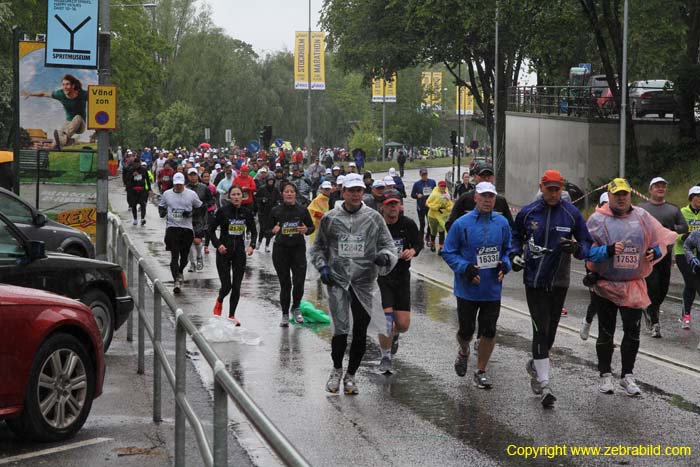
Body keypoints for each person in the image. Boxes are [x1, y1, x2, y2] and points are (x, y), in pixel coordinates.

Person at [585, 178, 676, 396]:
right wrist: (607, 251)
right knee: (606, 332)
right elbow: (586, 250)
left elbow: (659, 239)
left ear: (630, 195)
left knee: (632, 333)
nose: (622, 198)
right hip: (605, 284)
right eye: (617, 194)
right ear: (610, 195)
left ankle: (627, 375)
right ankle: (605, 375)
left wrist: (655, 251)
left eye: (625, 194)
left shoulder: (642, 216)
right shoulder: (597, 219)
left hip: (633, 284)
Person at [510, 169, 593, 407]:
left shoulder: (571, 213)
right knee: (540, 328)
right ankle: (545, 385)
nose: (554, 194)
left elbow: (587, 242)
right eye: (550, 189)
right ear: (542, 187)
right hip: (534, 281)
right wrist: (515, 255)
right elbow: (515, 237)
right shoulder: (528, 213)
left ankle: (537, 363)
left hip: (559, 281)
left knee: (551, 332)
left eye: (558, 189)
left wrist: (577, 249)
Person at [310, 173, 398, 394]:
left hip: (364, 281)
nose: (356, 194)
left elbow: (388, 245)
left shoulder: (374, 218)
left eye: (359, 190)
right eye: (351, 191)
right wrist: (323, 267)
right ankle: (337, 369)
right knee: (341, 330)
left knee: (360, 330)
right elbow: (318, 247)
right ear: (343, 193)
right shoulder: (330, 218)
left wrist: (385, 257)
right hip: (338, 281)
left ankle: (351, 376)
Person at [442, 182, 511, 388]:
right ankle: (463, 351)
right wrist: (465, 268)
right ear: (476, 198)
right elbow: (448, 252)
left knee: (489, 331)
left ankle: (481, 370)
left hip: (491, 289)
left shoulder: (502, 223)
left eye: (491, 196)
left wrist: (505, 264)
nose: (488, 200)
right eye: (484, 196)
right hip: (467, 289)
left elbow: (509, 249)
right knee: (466, 331)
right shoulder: (461, 224)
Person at [376, 189, 423, 374]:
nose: (393, 207)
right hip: (382, 278)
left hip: (402, 277)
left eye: (396, 204)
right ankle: (386, 356)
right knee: (386, 320)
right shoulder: (377, 225)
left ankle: (393, 336)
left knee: (402, 324)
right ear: (382, 207)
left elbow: (418, 243)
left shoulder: (408, 224)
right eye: (389, 204)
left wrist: (413, 251)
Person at [638, 177, 688, 338]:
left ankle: (649, 310)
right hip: (648, 255)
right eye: (657, 186)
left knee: (662, 289)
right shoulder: (641, 209)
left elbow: (684, 227)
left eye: (663, 186)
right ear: (650, 190)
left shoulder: (672, 209)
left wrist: (670, 228)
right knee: (652, 287)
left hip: (665, 255)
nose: (660, 189)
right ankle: (654, 321)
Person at [209, 185, 257, 325]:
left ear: (242, 197)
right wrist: (218, 245)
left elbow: (254, 231)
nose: (236, 197)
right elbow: (210, 231)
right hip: (224, 252)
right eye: (233, 195)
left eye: (238, 194)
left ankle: (231, 315)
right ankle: (219, 300)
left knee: (236, 286)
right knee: (227, 286)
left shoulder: (246, 212)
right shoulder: (223, 212)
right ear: (229, 197)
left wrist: (252, 245)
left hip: (239, 253)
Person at [270, 182, 315, 326]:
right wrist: (272, 230)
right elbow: (265, 229)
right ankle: (284, 313)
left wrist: (306, 230)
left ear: (295, 194)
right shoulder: (276, 210)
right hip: (281, 250)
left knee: (299, 282)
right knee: (285, 284)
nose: (289, 194)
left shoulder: (302, 210)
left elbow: (311, 227)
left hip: (298, 249)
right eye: (286, 191)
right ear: (282, 194)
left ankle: (296, 308)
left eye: (292, 191)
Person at [158, 173, 203, 294]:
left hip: (187, 229)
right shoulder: (167, 194)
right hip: (172, 228)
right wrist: (162, 212)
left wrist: (190, 214)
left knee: (184, 258)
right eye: (176, 185)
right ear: (174, 184)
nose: (178, 187)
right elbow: (161, 206)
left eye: (180, 185)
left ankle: (180, 271)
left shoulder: (191, 194)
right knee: (174, 256)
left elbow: (200, 207)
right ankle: (176, 281)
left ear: (184, 183)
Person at [21, 74, 87, 150]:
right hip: (68, 123)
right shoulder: (60, 94)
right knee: (56, 142)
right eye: (63, 85)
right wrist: (30, 94)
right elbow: (44, 94)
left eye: (67, 84)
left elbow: (96, 99)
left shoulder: (83, 94)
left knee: (77, 117)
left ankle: (65, 140)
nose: (65, 87)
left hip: (81, 124)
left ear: (73, 86)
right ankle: (66, 142)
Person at [447, 163, 514, 231]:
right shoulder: (465, 199)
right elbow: (451, 225)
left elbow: (511, 227)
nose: (486, 179)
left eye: (489, 176)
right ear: (475, 177)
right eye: (483, 176)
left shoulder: (500, 200)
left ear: (493, 178)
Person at [580, 192, 609, 340]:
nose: (608, 207)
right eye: (605, 204)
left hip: (612, 267)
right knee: (596, 300)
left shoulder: (620, 219)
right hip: (594, 265)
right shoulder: (594, 221)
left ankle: (605, 336)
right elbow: (587, 248)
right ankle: (587, 322)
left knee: (611, 302)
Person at [675, 186, 700, 329]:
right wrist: (682, 236)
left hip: (698, 254)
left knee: (690, 285)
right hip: (682, 253)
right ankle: (686, 316)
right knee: (691, 282)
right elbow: (672, 231)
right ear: (691, 198)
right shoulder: (682, 213)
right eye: (698, 196)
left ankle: (685, 314)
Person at [186, 168, 215, 272]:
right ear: (188, 176)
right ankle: (192, 263)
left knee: (197, 241)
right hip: (188, 217)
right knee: (188, 241)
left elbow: (212, 199)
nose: (192, 177)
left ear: (197, 176)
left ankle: (199, 256)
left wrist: (204, 205)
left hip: (200, 218)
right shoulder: (186, 188)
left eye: (194, 175)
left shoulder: (204, 188)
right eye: (190, 175)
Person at [426, 181, 453, 255]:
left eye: (444, 186)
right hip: (433, 215)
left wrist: (449, 208)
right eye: (441, 186)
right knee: (433, 231)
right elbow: (427, 203)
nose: (443, 188)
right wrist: (435, 207)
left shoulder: (447, 195)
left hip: (442, 216)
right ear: (438, 187)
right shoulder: (434, 194)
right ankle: (433, 243)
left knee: (441, 231)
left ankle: (441, 248)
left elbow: (450, 203)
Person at [410, 168, 437, 246]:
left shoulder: (432, 182)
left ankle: (428, 236)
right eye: (423, 175)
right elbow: (412, 194)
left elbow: (436, 191)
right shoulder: (417, 184)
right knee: (422, 224)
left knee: (431, 224)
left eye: (425, 174)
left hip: (430, 206)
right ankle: (420, 241)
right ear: (420, 175)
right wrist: (417, 195)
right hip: (421, 207)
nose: (424, 176)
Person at [256, 174, 281, 252]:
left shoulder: (276, 189)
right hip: (263, 212)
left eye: (272, 181)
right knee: (263, 228)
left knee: (270, 229)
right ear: (267, 181)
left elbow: (279, 198)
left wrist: (277, 204)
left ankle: (267, 246)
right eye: (269, 180)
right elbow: (256, 198)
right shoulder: (262, 189)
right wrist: (262, 200)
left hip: (272, 212)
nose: (271, 182)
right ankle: (259, 242)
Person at [124, 158, 150, 226]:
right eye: (136, 164)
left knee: (143, 204)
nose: (137, 165)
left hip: (142, 190)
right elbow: (126, 179)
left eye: (138, 164)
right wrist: (132, 175)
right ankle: (135, 219)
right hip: (133, 190)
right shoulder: (131, 170)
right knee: (134, 205)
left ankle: (142, 219)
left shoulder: (143, 169)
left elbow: (147, 179)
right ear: (134, 164)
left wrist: (149, 189)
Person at [201, 172, 218, 255]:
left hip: (210, 210)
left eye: (208, 176)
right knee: (204, 229)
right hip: (201, 211)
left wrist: (213, 203)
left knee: (209, 228)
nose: (206, 178)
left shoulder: (212, 187)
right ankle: (204, 245)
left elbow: (215, 196)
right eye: (205, 177)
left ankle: (208, 246)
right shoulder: (199, 187)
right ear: (202, 178)